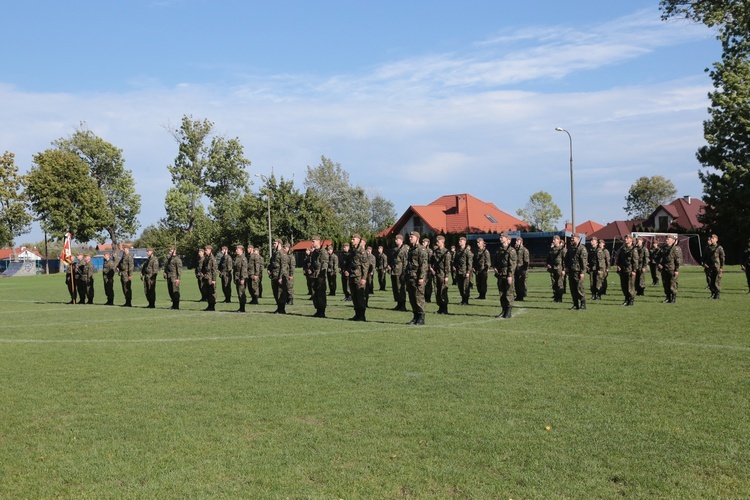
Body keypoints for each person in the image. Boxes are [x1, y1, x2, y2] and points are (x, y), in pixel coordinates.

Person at [405, 232, 429, 325]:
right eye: (410, 236)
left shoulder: (421, 249)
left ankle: (421, 317)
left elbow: (424, 265)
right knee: (412, 298)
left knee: (419, 298)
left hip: (417, 277)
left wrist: (421, 277)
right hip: (410, 276)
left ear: (417, 238)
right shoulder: (411, 249)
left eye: (412, 237)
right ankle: (415, 317)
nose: (410, 238)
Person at [493, 232, 517, 318]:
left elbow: (512, 264)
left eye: (502, 237)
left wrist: (510, 275)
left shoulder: (511, 250)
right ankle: (503, 310)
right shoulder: (499, 250)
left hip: (507, 274)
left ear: (507, 239)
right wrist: (495, 267)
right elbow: (495, 261)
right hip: (500, 274)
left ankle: (508, 311)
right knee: (502, 293)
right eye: (500, 237)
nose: (501, 238)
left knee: (509, 293)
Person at [346, 233, 369, 321]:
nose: (352, 240)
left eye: (353, 239)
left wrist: (364, 278)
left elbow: (365, 265)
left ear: (359, 240)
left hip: (359, 277)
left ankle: (362, 315)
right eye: (352, 239)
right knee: (354, 296)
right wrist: (348, 270)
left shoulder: (362, 251)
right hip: (352, 275)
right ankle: (357, 314)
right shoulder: (352, 251)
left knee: (360, 296)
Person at [564, 233, 588, 310]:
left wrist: (582, 272)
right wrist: (566, 267)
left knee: (579, 288)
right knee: (572, 289)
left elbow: (583, 261)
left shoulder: (582, 248)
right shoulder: (571, 248)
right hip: (571, 271)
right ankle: (575, 304)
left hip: (578, 271)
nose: (572, 240)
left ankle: (583, 304)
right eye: (571, 239)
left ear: (578, 238)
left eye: (573, 238)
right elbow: (566, 258)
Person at [658, 234, 682, 303]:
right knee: (665, 284)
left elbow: (678, 260)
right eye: (666, 239)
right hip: (664, 269)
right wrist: (659, 263)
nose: (666, 240)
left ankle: (673, 298)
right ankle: (668, 297)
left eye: (668, 239)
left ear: (673, 240)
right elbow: (658, 257)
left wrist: (677, 270)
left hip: (672, 269)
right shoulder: (664, 248)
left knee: (673, 284)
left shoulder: (676, 248)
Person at [615, 235, 639, 306]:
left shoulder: (633, 249)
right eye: (625, 238)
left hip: (630, 270)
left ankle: (631, 299)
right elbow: (619, 258)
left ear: (631, 240)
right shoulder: (623, 249)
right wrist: (618, 265)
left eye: (627, 238)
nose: (626, 239)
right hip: (623, 269)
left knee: (630, 286)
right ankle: (626, 299)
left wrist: (634, 270)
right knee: (624, 286)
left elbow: (635, 261)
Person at [267, 238, 289, 314]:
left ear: (279, 244)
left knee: (281, 292)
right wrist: (269, 269)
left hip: (280, 275)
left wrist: (280, 277)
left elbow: (283, 266)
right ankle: (278, 307)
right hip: (274, 275)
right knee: (275, 292)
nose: (273, 245)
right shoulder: (275, 253)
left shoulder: (282, 253)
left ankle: (282, 309)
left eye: (275, 243)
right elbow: (271, 262)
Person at [309, 236, 329, 317]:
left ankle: (322, 311)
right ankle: (318, 309)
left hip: (320, 276)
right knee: (315, 294)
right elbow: (312, 262)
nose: (312, 243)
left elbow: (325, 264)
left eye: (313, 241)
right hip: (314, 275)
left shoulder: (323, 252)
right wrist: (310, 268)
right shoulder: (314, 252)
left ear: (318, 241)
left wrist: (322, 275)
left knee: (321, 294)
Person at [431, 235, 451, 314]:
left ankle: (445, 309)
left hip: (443, 274)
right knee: (437, 291)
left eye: (438, 241)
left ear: (442, 242)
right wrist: (431, 269)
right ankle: (440, 308)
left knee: (443, 291)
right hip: (436, 274)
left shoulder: (446, 252)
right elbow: (432, 262)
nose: (436, 243)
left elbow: (447, 265)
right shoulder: (435, 252)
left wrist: (446, 276)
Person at [388, 234, 408, 311]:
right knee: (395, 288)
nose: (396, 241)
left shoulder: (404, 249)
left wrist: (404, 273)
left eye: (397, 239)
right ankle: (398, 304)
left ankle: (403, 304)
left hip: (400, 272)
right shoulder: (394, 249)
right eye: (395, 239)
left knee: (401, 288)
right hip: (394, 271)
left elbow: (405, 262)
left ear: (401, 240)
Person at [704, 234, 725, 299]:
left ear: (716, 239)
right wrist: (704, 263)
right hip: (709, 266)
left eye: (713, 238)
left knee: (717, 280)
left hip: (717, 266)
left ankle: (717, 294)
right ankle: (712, 293)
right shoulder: (707, 248)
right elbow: (704, 257)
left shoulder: (719, 248)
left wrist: (721, 267)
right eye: (711, 238)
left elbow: (722, 258)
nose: (711, 239)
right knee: (710, 280)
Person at [453, 237, 473, 305]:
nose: (459, 242)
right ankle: (462, 299)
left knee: (465, 286)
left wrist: (468, 272)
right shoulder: (458, 251)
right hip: (459, 271)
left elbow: (469, 263)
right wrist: (454, 266)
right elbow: (456, 260)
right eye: (459, 240)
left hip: (465, 271)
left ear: (465, 242)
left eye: (461, 241)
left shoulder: (467, 251)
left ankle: (466, 300)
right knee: (460, 287)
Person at [546, 235, 566, 303]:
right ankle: (555, 297)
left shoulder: (562, 250)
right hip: (553, 269)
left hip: (559, 269)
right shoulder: (551, 249)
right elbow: (548, 259)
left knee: (559, 283)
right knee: (554, 283)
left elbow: (565, 260)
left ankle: (560, 298)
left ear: (558, 240)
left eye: (554, 240)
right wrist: (548, 264)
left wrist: (564, 270)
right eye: (553, 239)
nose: (553, 241)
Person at [201, 245, 218, 311]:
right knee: (207, 292)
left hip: (210, 278)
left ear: (210, 250)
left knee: (212, 292)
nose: (205, 251)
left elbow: (214, 270)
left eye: (206, 250)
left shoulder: (212, 259)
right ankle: (209, 305)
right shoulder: (206, 258)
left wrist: (214, 279)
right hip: (206, 277)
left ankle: (212, 306)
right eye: (205, 250)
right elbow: (203, 267)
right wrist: (202, 273)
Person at [233, 244, 248, 312]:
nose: (236, 250)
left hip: (241, 278)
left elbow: (244, 269)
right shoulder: (237, 258)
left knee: (241, 293)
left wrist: (243, 279)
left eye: (237, 249)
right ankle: (241, 306)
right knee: (239, 293)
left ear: (241, 250)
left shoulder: (243, 258)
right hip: (237, 278)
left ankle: (243, 307)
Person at [421, 238, 434, 303]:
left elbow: (431, 261)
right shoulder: (421, 250)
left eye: (424, 242)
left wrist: (430, 268)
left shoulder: (429, 251)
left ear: (428, 243)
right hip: (422, 270)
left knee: (428, 284)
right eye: (422, 242)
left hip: (428, 270)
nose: (423, 243)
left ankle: (428, 297)